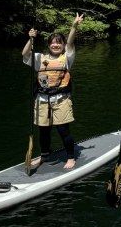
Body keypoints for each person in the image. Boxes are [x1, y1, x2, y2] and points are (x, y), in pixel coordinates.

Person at [22, 13, 84, 170]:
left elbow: (70, 42)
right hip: (42, 100)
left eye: (59, 43)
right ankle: (44, 155)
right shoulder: (40, 58)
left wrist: (74, 25)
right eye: (53, 43)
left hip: (61, 100)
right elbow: (25, 54)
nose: (56, 45)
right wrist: (31, 39)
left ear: (62, 45)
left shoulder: (67, 58)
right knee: (44, 132)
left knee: (63, 130)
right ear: (49, 45)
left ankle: (71, 157)